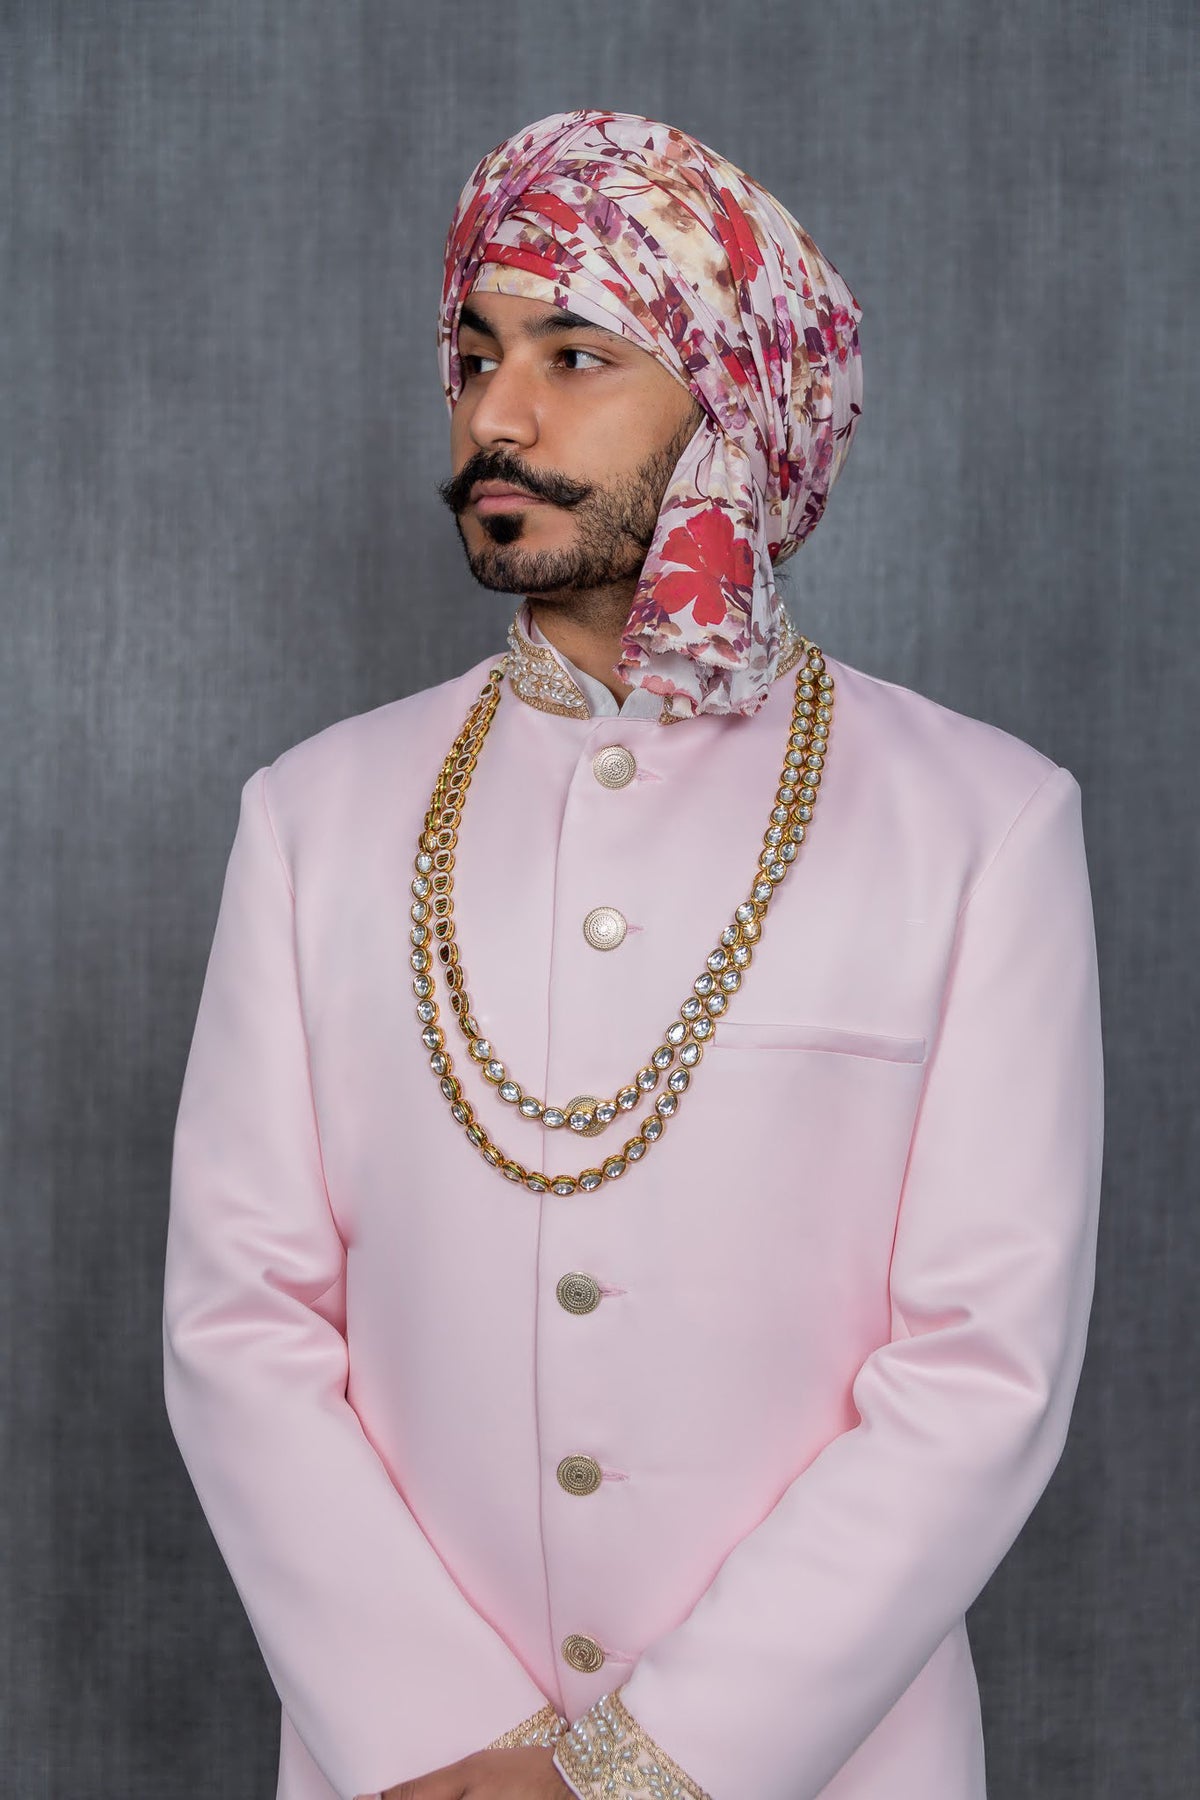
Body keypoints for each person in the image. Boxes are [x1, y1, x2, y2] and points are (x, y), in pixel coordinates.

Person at [161, 109, 1104, 1800]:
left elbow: (981, 1368)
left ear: (735, 396)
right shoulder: (315, 818)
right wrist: (440, 1735)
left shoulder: (982, 826)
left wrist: (655, 1765)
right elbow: (244, 1322)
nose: (495, 417)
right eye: (473, 355)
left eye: (574, 355)